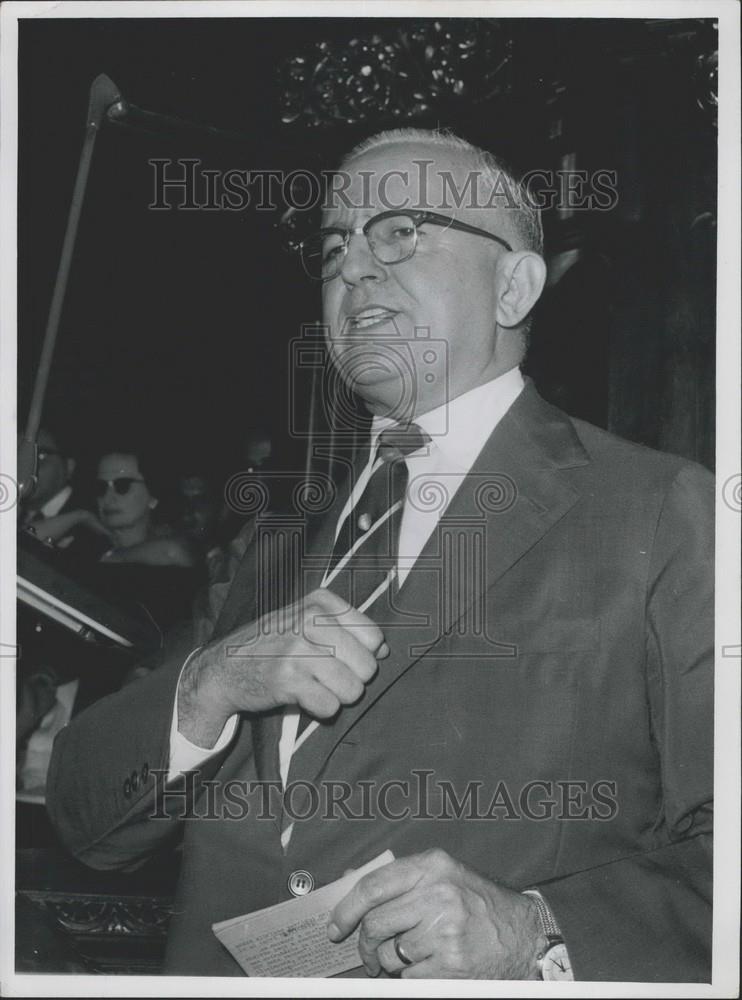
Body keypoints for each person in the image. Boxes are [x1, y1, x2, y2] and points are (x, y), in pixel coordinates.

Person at [47, 129, 713, 982]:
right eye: (334, 247)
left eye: (400, 231)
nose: (353, 267)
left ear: (514, 285)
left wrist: (536, 929)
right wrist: (210, 684)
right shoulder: (277, 540)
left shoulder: (659, 511)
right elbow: (84, 817)